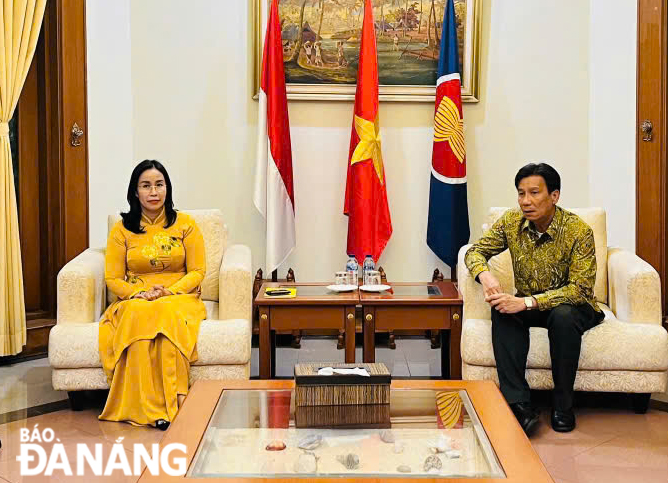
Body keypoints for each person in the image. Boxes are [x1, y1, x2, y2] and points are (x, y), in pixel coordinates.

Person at [464, 163, 603, 435]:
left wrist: (527, 302)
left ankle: (563, 406)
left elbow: (579, 289)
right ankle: (519, 405)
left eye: (534, 193)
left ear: (554, 196)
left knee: (562, 316)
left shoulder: (579, 231)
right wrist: (485, 276)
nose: (526, 201)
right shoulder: (511, 222)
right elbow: (475, 252)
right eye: (521, 193)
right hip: (530, 303)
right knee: (503, 308)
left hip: (574, 307)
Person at [99, 160, 207, 430]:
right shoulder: (122, 229)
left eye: (159, 185)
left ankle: (174, 403)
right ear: (135, 192)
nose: (154, 191)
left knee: (167, 312)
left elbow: (197, 271)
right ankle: (144, 409)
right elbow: (112, 278)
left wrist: (169, 291)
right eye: (146, 186)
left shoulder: (186, 224)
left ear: (167, 189)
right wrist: (140, 293)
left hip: (178, 296)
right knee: (138, 313)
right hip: (136, 298)